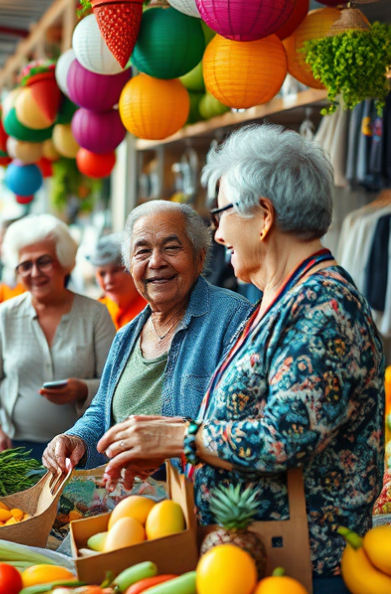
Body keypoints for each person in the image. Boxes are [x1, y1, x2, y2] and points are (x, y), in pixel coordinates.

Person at [91, 126, 384, 593]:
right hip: (247, 559)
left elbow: (285, 437)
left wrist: (179, 437)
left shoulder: (322, 304)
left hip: (302, 569)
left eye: (222, 213)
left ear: (263, 216)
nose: (217, 231)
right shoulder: (279, 298)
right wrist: (176, 452)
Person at [43, 201, 253, 473]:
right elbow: (102, 412)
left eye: (171, 248)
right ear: (130, 265)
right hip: (127, 509)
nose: (156, 262)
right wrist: (76, 438)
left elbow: (243, 427)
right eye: (142, 251)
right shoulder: (126, 336)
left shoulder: (234, 318)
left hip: (194, 505)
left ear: (199, 257)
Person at [0, 215, 116, 462]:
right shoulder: (5, 315)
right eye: (25, 265)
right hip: (14, 451)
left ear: (65, 263)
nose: (34, 273)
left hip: (80, 450)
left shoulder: (95, 314)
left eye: (44, 262)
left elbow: (113, 385)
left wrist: (82, 389)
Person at [90, 233, 148, 329]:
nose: (108, 280)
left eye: (116, 270)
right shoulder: (95, 311)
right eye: (102, 274)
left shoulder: (153, 309)